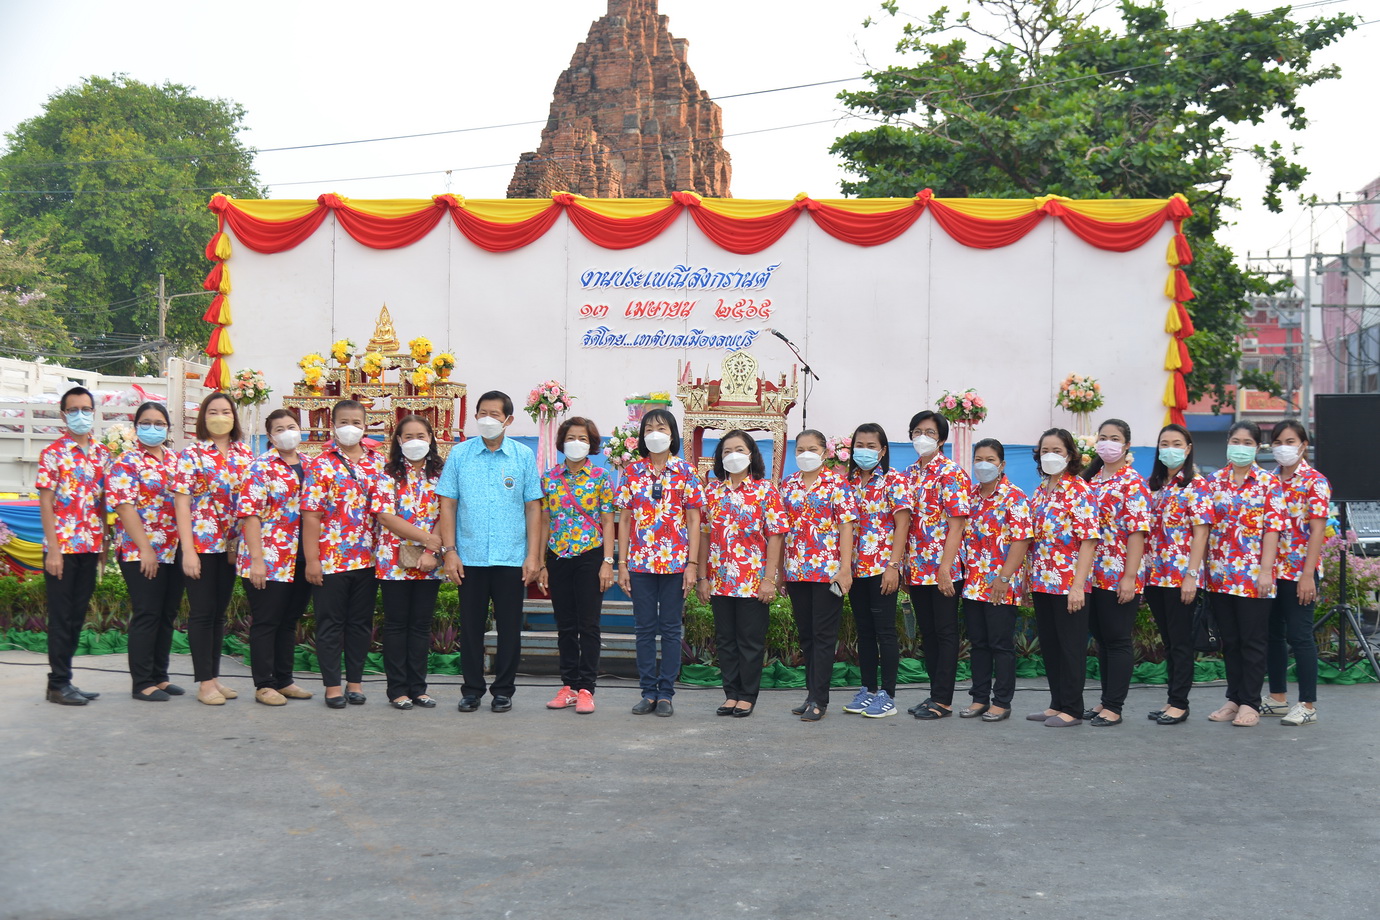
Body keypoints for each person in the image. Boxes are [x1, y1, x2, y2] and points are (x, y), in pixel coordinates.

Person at [437, 391, 543, 713]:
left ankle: (503, 691)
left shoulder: (523, 456)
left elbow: (533, 508)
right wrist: (449, 551)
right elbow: (447, 504)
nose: (487, 419)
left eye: (494, 414)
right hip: (469, 557)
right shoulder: (460, 454)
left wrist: (533, 556)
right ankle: (471, 690)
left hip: (511, 557)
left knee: (510, 629)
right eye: (482, 413)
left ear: (508, 420)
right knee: (471, 628)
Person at [616, 408, 704, 717]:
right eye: (649, 429)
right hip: (640, 563)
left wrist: (692, 564)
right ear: (642, 436)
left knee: (670, 629)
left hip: (676, 564)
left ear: (672, 434)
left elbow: (694, 520)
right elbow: (625, 519)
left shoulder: (686, 471)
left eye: (662, 428)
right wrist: (622, 564)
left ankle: (666, 693)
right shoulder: (632, 472)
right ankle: (647, 692)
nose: (655, 434)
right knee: (643, 629)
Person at [302, 399, 388, 709]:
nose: (350, 427)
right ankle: (332, 686)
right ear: (333, 426)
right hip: (331, 559)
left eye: (356, 422)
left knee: (360, 624)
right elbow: (311, 515)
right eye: (343, 422)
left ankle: (355, 683)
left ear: (365, 426)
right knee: (330, 624)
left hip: (369, 558)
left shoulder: (379, 463)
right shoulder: (320, 464)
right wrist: (312, 560)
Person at [695, 430, 787, 718]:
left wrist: (769, 579)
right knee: (725, 640)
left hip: (752, 580)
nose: (733, 455)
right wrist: (702, 577)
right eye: (726, 451)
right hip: (720, 579)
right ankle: (731, 694)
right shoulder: (712, 492)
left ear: (751, 455)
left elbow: (775, 535)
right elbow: (704, 535)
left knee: (750, 640)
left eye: (739, 450)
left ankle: (747, 695)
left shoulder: (765, 491)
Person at [172, 391, 254, 705]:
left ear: (234, 417)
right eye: (213, 412)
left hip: (233, 547)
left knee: (219, 615)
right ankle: (204, 683)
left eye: (226, 411)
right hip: (202, 545)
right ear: (203, 418)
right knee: (203, 613)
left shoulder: (245, 453)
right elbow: (182, 504)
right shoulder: (191, 454)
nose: (220, 417)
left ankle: (215, 678)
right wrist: (188, 551)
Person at [1203, 420, 1285, 727]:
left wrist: (1265, 571)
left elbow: (1272, 530)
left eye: (1247, 443)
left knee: (1253, 640)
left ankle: (1251, 702)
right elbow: (1203, 528)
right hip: (1219, 575)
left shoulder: (1268, 483)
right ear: (1227, 443)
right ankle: (1234, 698)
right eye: (1235, 441)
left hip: (1253, 576)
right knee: (1230, 640)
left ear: (1257, 447)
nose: (1240, 447)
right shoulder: (1213, 482)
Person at [37, 386, 111, 705]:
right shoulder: (52, 453)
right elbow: (46, 501)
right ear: (63, 415)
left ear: (93, 412)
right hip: (62, 548)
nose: (81, 415)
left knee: (77, 615)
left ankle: (65, 679)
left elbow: (103, 502)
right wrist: (53, 550)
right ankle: (57, 684)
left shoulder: (103, 453)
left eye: (86, 409)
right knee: (61, 617)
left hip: (90, 546)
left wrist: (104, 542)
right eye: (74, 410)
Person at [537, 417, 616, 715]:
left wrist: (607, 562)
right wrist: (542, 562)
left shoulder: (600, 476)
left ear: (591, 443)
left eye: (582, 438)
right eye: (571, 437)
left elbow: (607, 520)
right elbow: (545, 520)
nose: (576, 443)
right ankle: (568, 686)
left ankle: (586, 688)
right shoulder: (550, 477)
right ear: (562, 442)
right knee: (565, 625)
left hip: (589, 555)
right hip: (558, 555)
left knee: (589, 624)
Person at [237, 409, 314, 706]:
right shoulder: (260, 467)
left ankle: (284, 679)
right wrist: (257, 560)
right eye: (279, 429)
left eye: (291, 426)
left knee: (289, 620)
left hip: (301, 556)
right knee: (267, 621)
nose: (287, 433)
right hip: (270, 557)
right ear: (270, 436)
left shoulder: (310, 464)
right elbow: (250, 516)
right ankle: (264, 684)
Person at [780, 429, 858, 722]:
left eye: (812, 449)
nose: (806, 454)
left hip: (828, 572)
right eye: (800, 449)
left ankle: (820, 700)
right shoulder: (788, 484)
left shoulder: (837, 484)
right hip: (796, 571)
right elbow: (781, 529)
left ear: (825, 453)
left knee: (824, 636)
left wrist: (845, 569)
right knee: (807, 637)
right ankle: (810, 694)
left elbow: (846, 527)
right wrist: (780, 572)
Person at [108, 401, 185, 701]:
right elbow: (124, 507)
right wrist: (146, 549)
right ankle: (142, 682)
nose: (153, 428)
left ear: (167, 428)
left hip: (174, 548)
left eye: (159, 423)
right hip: (140, 550)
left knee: (167, 614)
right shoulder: (127, 461)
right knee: (148, 613)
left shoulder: (176, 460)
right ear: (136, 427)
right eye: (146, 422)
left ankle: (159, 676)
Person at [1080, 419, 1153, 727]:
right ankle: (1105, 699)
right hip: (1091, 573)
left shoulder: (1133, 482)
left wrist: (1130, 577)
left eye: (1114, 438)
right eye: (1103, 437)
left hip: (1118, 573)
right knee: (1101, 638)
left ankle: (1114, 706)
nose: (1107, 443)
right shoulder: (1091, 479)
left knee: (1118, 638)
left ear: (1126, 446)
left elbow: (1137, 533)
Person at [1026, 428, 1100, 727]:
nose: (1050, 456)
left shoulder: (1080, 490)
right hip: (1042, 581)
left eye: (1057, 450)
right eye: (1045, 451)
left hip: (1069, 583)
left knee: (1070, 646)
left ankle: (1072, 708)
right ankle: (1056, 703)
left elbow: (1089, 541)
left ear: (1070, 455)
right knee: (1051, 644)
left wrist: (1078, 586)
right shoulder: (1040, 490)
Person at [902, 409, 971, 720]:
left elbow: (957, 525)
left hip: (944, 567)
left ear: (941, 439)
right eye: (917, 432)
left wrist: (945, 568)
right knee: (927, 633)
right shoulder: (908, 473)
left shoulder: (951, 473)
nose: (922, 437)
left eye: (929, 432)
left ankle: (943, 700)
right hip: (917, 567)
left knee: (945, 632)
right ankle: (933, 694)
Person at [375, 415, 447, 710]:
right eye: (408, 436)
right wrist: (428, 540)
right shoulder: (387, 473)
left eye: (421, 435)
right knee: (396, 625)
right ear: (399, 440)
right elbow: (385, 516)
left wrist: (432, 550)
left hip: (430, 562)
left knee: (420, 626)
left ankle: (418, 688)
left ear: (431, 438)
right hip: (393, 561)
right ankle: (397, 690)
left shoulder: (442, 474)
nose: (415, 441)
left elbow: (447, 512)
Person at [959, 439, 1033, 723]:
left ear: (1002, 464)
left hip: (1002, 583)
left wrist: (1004, 577)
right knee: (978, 643)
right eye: (978, 459)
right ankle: (979, 698)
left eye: (990, 459)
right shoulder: (971, 495)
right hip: (973, 583)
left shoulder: (1014, 496)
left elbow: (1021, 540)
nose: (983, 465)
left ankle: (1002, 701)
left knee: (1000, 644)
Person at [1262, 418, 1330, 727]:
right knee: (1272, 635)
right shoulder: (1268, 480)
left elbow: (1317, 531)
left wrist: (1307, 575)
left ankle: (1307, 704)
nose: (1283, 448)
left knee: (1300, 636)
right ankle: (1277, 698)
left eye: (1290, 442)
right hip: (1269, 571)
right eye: (1277, 442)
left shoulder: (1315, 481)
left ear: (1303, 445)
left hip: (1298, 571)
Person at [1142, 424, 1211, 725]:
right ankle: (1171, 699)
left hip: (1180, 575)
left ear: (1188, 448)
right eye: (1164, 443)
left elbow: (1201, 534)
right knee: (1169, 641)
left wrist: (1192, 575)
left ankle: (1180, 703)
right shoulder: (1154, 486)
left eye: (1176, 443)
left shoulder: (1196, 485)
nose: (1169, 449)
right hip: (1154, 574)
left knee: (1181, 641)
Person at [842, 423, 911, 719]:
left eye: (871, 446)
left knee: (885, 632)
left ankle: (888, 695)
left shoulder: (893, 480)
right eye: (860, 445)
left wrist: (894, 566)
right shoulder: (847, 482)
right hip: (854, 569)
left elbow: (903, 524)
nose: (865, 451)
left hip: (882, 567)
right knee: (865, 631)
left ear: (882, 451)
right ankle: (868, 689)